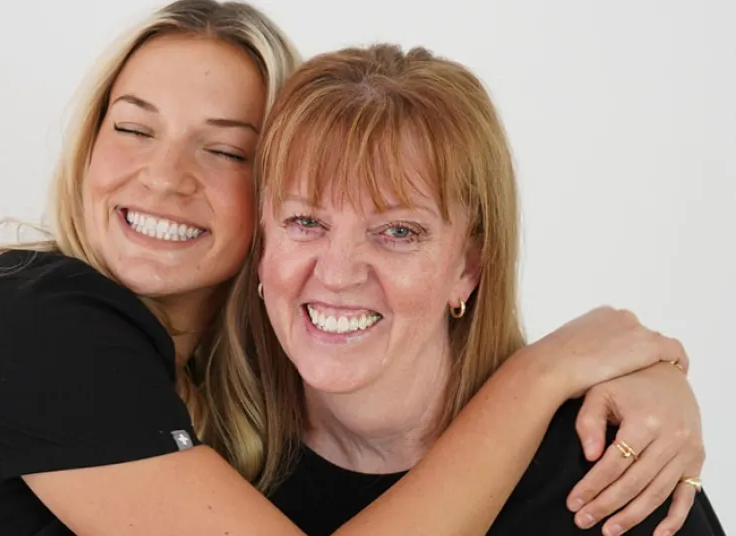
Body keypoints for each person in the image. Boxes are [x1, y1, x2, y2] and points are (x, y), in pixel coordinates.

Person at [0, 1, 709, 535]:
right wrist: (544, 373)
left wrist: (650, 376)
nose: (164, 177)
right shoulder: (40, 322)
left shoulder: (222, 434)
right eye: (133, 127)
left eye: (225, 149)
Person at [225, 43, 726, 535]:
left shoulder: (611, 479)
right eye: (305, 221)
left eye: (398, 231)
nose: (338, 273)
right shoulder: (213, 461)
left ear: (470, 265)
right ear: (262, 241)